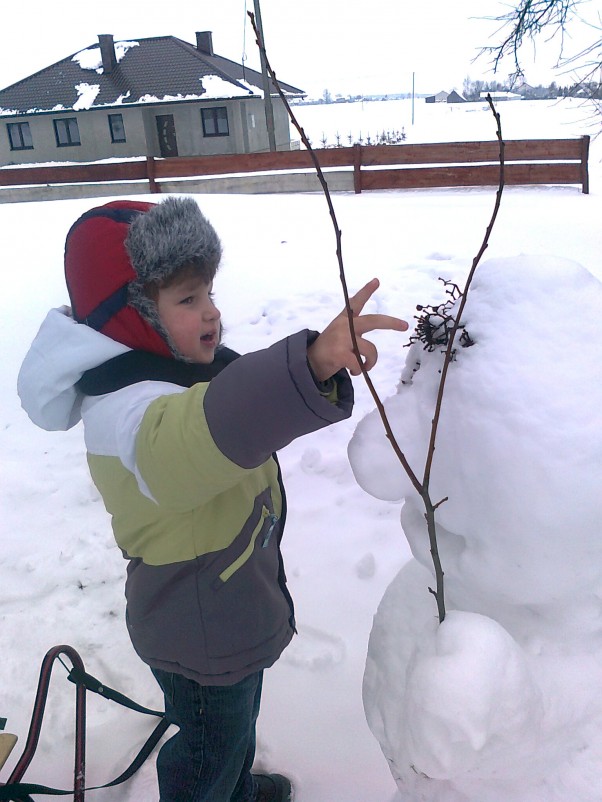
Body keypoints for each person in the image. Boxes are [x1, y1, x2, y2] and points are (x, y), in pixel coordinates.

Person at [17, 197, 408, 802]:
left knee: (230, 726)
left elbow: (226, 392)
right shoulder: (128, 409)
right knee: (207, 746)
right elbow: (197, 438)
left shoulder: (170, 372)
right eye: (187, 299)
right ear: (133, 315)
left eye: (209, 294)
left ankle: (231, 786)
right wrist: (305, 366)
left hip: (224, 606)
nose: (212, 314)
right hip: (198, 622)